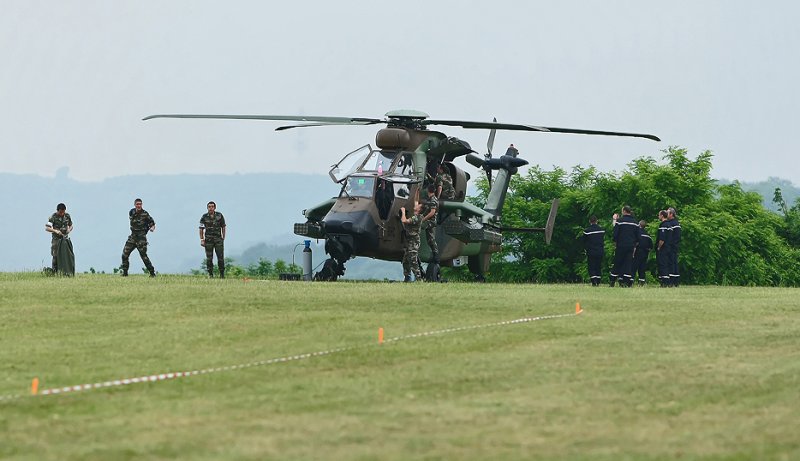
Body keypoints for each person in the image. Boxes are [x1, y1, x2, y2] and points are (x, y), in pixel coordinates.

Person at [121, 198, 156, 277]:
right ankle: (125, 273)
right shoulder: (131, 212)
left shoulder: (145, 214)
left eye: (140, 204)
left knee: (144, 256)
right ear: (135, 205)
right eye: (137, 204)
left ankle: (152, 273)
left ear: (142, 204)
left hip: (141, 238)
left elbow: (152, 223)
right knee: (124, 255)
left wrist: (152, 228)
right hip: (133, 237)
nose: (139, 205)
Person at [609, 205, 640, 287]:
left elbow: (615, 234)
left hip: (621, 245)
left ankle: (612, 281)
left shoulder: (619, 221)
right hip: (630, 246)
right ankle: (625, 282)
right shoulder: (635, 223)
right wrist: (634, 246)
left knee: (617, 262)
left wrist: (615, 243)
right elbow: (638, 237)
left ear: (624, 211)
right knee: (628, 264)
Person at [199, 201, 227, 278]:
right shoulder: (204, 217)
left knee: (220, 258)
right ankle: (210, 274)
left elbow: (223, 226)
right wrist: (202, 239)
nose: (211, 208)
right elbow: (201, 228)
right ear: (207, 208)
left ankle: (222, 274)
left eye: (212, 206)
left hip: (218, 239)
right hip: (208, 240)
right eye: (209, 207)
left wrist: (223, 237)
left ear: (215, 207)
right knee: (209, 258)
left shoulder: (219, 215)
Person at [45, 203, 74, 275]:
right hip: (56, 239)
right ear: (57, 211)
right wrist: (55, 231)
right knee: (55, 256)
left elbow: (71, 225)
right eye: (61, 212)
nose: (62, 213)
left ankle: (67, 272)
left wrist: (69, 230)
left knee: (67, 255)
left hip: (65, 239)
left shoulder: (67, 216)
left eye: (63, 212)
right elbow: (47, 228)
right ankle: (55, 272)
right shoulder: (53, 217)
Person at [400, 201, 423, 282]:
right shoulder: (416, 216)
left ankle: (419, 279)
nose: (416, 205)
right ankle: (407, 278)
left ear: (419, 210)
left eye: (418, 206)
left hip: (413, 242)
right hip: (410, 241)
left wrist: (403, 212)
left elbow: (404, 220)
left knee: (413, 261)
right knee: (405, 261)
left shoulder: (417, 218)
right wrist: (417, 190)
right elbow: (416, 201)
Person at [582, 215, 605, 287]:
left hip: (591, 251)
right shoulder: (601, 230)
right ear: (597, 221)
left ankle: (593, 281)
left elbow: (584, 242)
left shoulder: (587, 231)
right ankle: (598, 281)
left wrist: (586, 249)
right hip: (600, 251)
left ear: (590, 221)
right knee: (598, 266)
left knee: (591, 266)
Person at [420, 184, 439, 263]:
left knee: (416, 226)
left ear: (428, 190)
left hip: (430, 221)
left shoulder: (433, 200)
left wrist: (423, 219)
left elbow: (432, 212)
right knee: (430, 239)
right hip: (429, 221)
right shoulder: (431, 199)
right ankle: (435, 255)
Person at [632, 219, 653, 286]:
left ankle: (631, 281)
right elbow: (651, 246)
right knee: (642, 268)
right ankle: (642, 282)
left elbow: (635, 243)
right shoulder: (648, 235)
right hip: (645, 253)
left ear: (639, 225)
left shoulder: (637, 233)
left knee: (634, 267)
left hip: (637, 252)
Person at [667, 207, 682, 287]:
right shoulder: (677, 223)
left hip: (672, 246)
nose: (666, 214)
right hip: (675, 246)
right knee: (675, 263)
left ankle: (671, 281)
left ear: (671, 214)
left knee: (671, 263)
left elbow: (674, 237)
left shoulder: (672, 224)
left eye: (667, 213)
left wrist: (669, 244)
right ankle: (676, 281)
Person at [655, 210, 671, 287]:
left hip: (663, 248)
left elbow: (662, 239)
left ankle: (664, 282)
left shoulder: (664, 225)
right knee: (666, 264)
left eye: (659, 215)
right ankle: (667, 280)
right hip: (669, 248)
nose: (658, 217)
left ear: (662, 215)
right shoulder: (670, 225)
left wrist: (658, 247)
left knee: (662, 264)